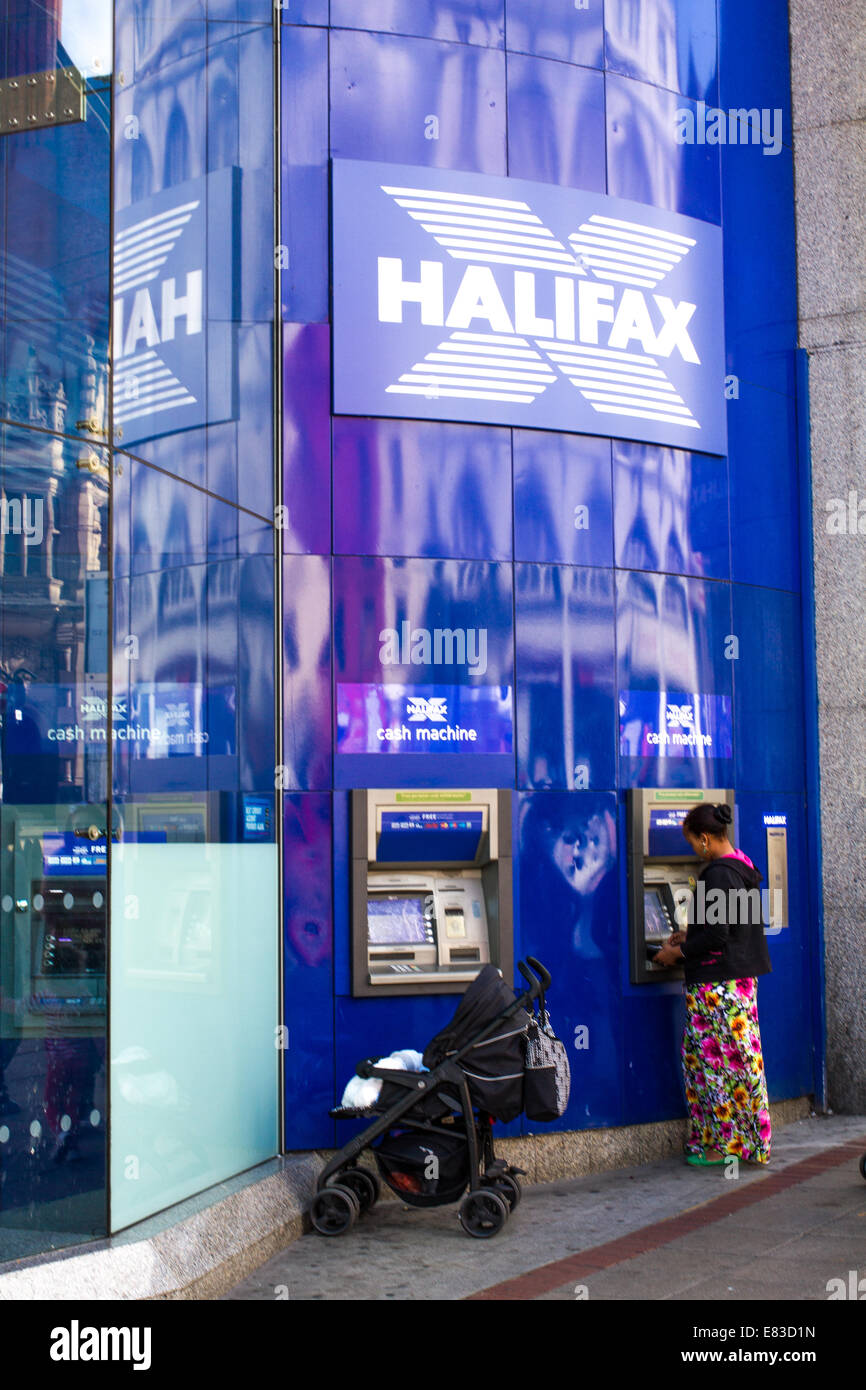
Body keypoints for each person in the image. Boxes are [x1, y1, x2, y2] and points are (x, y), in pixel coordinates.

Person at [652, 802, 772, 1167]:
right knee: (742, 1063)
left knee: (713, 1065)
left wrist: (678, 953)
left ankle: (723, 1147)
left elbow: (719, 936)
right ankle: (751, 1142)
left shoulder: (717, 874)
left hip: (718, 988)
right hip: (740, 982)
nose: (693, 850)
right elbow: (736, 928)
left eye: (693, 843)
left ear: (705, 839)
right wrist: (691, 933)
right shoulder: (744, 866)